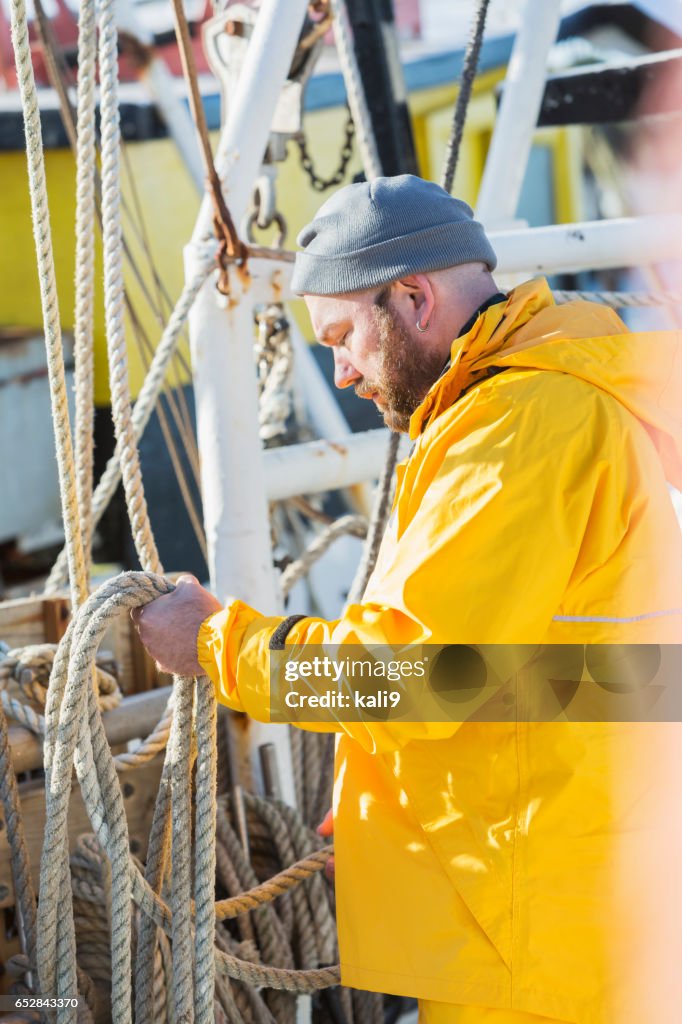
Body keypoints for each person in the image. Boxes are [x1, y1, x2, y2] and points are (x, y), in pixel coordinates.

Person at [133, 175, 682, 1023]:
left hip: (532, 947)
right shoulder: (561, 398)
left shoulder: (516, 428)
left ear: (415, 296)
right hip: (576, 907)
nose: (344, 373)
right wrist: (396, 806)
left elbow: (406, 677)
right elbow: (567, 672)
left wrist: (216, 644)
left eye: (345, 337)